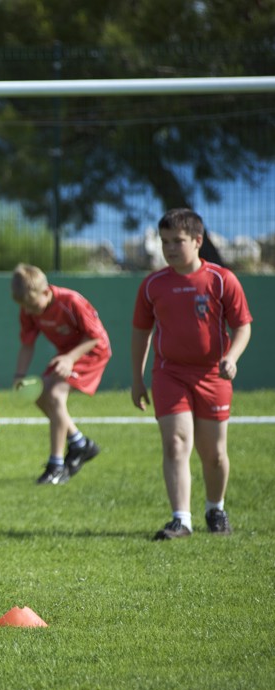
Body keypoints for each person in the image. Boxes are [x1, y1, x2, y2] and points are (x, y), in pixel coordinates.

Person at [131, 209, 252, 540]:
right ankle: (180, 520)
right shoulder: (153, 284)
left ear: (198, 241)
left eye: (178, 241)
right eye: (165, 241)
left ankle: (216, 509)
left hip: (214, 376)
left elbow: (242, 326)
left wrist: (232, 357)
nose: (170, 248)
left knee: (213, 454)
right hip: (170, 374)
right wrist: (138, 378)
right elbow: (141, 332)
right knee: (175, 443)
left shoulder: (221, 279)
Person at [11, 263, 111, 485]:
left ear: (46, 292)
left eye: (33, 305)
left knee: (55, 396)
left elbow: (96, 337)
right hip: (66, 355)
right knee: (38, 393)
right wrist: (19, 375)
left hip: (91, 352)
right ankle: (79, 443)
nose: (29, 311)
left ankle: (56, 465)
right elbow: (27, 344)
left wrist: (70, 358)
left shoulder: (71, 301)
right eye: (25, 307)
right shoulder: (28, 308)